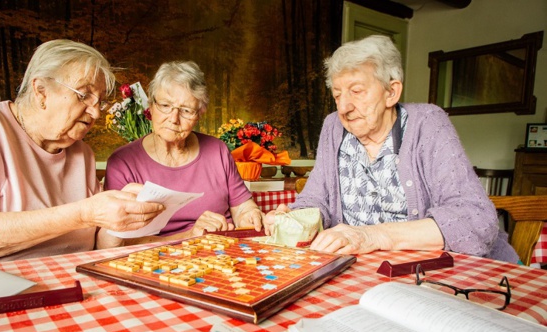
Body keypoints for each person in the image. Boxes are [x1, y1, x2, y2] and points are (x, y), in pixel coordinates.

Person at [264, 35, 519, 263]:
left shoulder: (427, 123)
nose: (343, 107)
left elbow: (477, 220)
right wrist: (294, 218)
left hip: (461, 274)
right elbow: (316, 199)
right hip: (371, 275)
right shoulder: (334, 127)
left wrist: (372, 236)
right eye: (338, 94)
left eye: (356, 91)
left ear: (391, 92)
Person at [0, 39, 164, 270]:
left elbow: (96, 247)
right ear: (41, 91)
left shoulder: (82, 153)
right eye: (84, 95)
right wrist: (84, 213)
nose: (95, 113)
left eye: (99, 102)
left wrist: (119, 219)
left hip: (66, 283)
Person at [104, 61, 264, 243]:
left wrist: (251, 216)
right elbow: (120, 242)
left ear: (199, 114)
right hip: (156, 261)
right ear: (151, 105)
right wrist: (189, 237)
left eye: (186, 111)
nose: (173, 119)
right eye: (165, 105)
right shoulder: (122, 162)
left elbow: (242, 208)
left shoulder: (217, 150)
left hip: (222, 254)